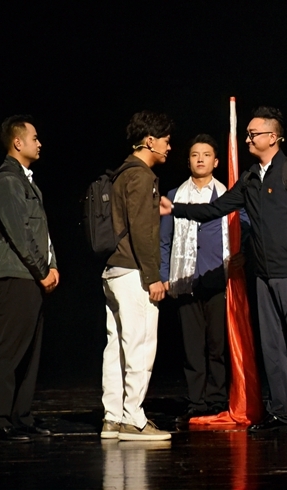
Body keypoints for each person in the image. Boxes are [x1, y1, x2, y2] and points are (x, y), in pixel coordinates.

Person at [161, 106, 287, 434]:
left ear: (273, 137)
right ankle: (279, 411)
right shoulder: (250, 178)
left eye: (253, 134)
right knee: (272, 347)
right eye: (247, 134)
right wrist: (175, 208)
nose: (248, 139)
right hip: (263, 275)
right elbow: (216, 208)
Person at [160, 134, 248, 421]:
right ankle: (196, 400)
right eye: (195, 154)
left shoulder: (227, 194)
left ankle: (217, 398)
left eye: (206, 154)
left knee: (217, 345)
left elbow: (245, 229)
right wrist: (164, 275)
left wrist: (243, 254)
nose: (200, 159)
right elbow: (164, 239)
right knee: (192, 346)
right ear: (188, 161)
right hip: (185, 278)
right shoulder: (174, 196)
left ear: (216, 161)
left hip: (219, 279)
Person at [0, 115, 59, 443]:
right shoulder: (7, 181)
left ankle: (20, 417)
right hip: (15, 275)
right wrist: (43, 270)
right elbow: (19, 233)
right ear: (18, 142)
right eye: (34, 137)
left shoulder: (26, 182)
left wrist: (52, 266)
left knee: (29, 352)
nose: (39, 143)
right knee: (7, 349)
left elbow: (40, 232)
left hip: (30, 275)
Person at [101, 111, 174, 441]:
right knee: (140, 345)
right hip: (133, 271)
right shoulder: (142, 176)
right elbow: (141, 231)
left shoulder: (121, 174)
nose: (169, 147)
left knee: (116, 347)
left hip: (114, 270)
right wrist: (153, 276)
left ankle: (113, 418)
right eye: (166, 141)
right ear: (150, 141)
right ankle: (133, 419)